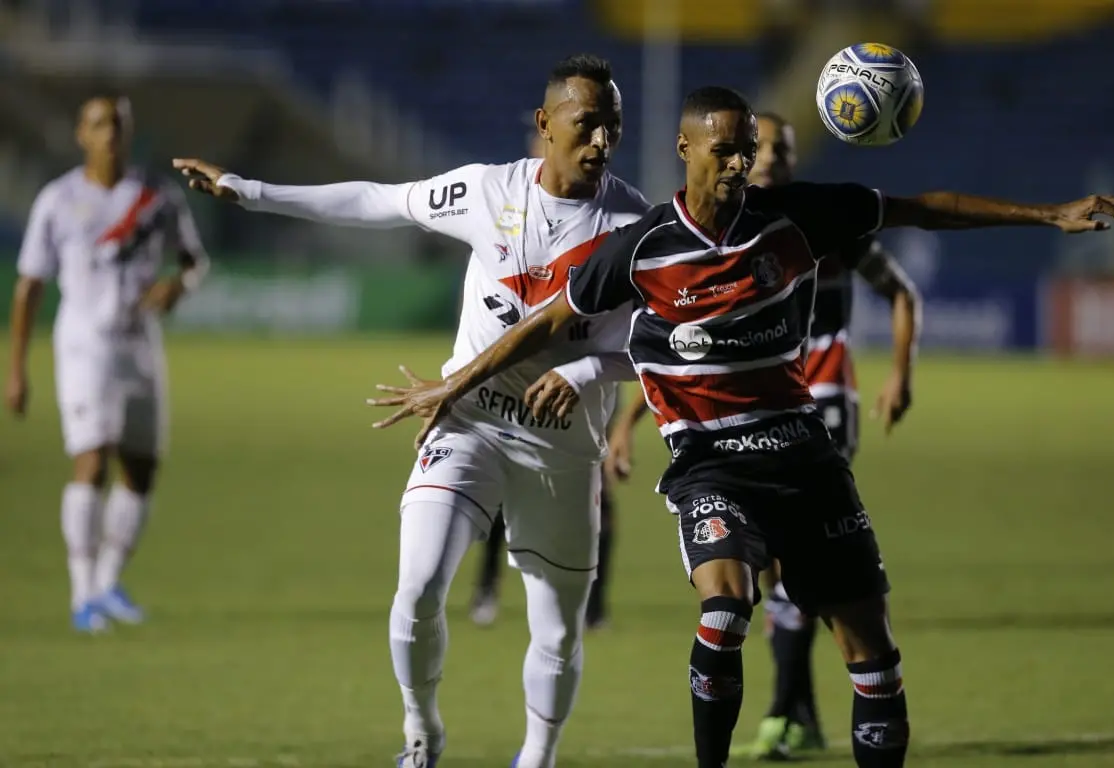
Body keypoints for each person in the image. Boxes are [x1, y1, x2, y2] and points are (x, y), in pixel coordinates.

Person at [367, 86, 1114, 768]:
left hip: (805, 455)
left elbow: (919, 208)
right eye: (727, 149)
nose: (741, 164)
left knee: (872, 655)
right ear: (687, 149)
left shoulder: (795, 217)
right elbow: (545, 322)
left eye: (749, 151)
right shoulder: (638, 247)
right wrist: (455, 381)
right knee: (727, 607)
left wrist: (1047, 214)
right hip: (710, 464)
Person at [174, 54, 648, 768]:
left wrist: (584, 369)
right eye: (588, 124)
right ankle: (421, 733)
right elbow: (379, 200)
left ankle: (538, 757)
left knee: (556, 629)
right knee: (420, 585)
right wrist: (252, 191)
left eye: (613, 125)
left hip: (559, 443)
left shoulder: (635, 226)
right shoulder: (487, 192)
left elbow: (662, 344)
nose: (602, 141)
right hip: (469, 419)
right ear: (545, 125)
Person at [605, 110, 923, 760]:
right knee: (768, 586)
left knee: (800, 580)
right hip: (742, 424)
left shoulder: (815, 223)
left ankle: (791, 706)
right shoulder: (714, 238)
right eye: (760, 148)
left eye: (775, 149)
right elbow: (693, 357)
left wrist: (900, 373)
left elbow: (900, 286)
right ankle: (791, 706)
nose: (765, 160)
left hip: (817, 398)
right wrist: (628, 420)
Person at [5, 95, 210, 633]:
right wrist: (17, 367)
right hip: (84, 343)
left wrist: (178, 286)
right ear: (81, 135)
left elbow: (195, 260)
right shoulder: (59, 200)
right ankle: (81, 596)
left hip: (139, 340)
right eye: (99, 125)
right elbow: (29, 285)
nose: (110, 133)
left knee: (141, 467)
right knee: (92, 459)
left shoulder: (155, 196)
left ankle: (108, 582)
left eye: (118, 124)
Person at [469, 112, 618, 631]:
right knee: (497, 501)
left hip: (572, 401)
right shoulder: (507, 204)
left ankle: (593, 601)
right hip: (505, 395)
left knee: (599, 505)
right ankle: (487, 588)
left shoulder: (607, 219)